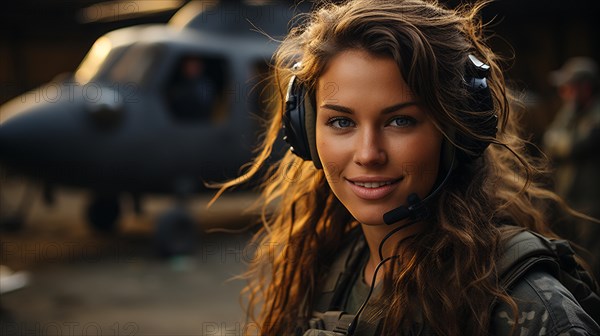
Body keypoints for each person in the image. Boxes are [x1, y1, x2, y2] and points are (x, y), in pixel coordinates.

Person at [212, 0, 600, 334]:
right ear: (305, 132)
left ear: (457, 133)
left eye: (400, 121)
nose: (368, 154)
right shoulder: (329, 266)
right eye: (341, 122)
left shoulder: (523, 305)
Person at [543, 57, 600, 280]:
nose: (564, 94)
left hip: (592, 205)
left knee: (592, 263)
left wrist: (560, 143)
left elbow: (572, 146)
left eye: (569, 88)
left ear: (585, 88)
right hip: (570, 201)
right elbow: (549, 139)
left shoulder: (596, 115)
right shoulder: (571, 112)